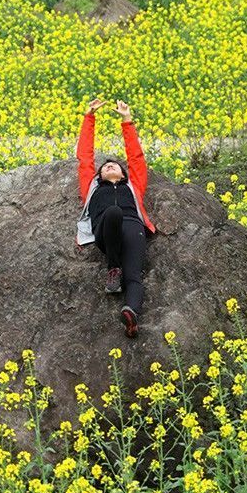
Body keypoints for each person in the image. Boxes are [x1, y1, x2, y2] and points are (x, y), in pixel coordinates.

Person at [75, 97, 156, 338]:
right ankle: (113, 267)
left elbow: (136, 158)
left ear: (123, 174)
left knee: (134, 276)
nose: (109, 166)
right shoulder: (90, 185)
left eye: (114, 165)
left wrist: (126, 120)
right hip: (104, 228)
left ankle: (131, 314)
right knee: (113, 212)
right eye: (105, 166)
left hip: (133, 228)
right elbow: (85, 156)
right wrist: (89, 117)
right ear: (98, 174)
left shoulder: (134, 185)